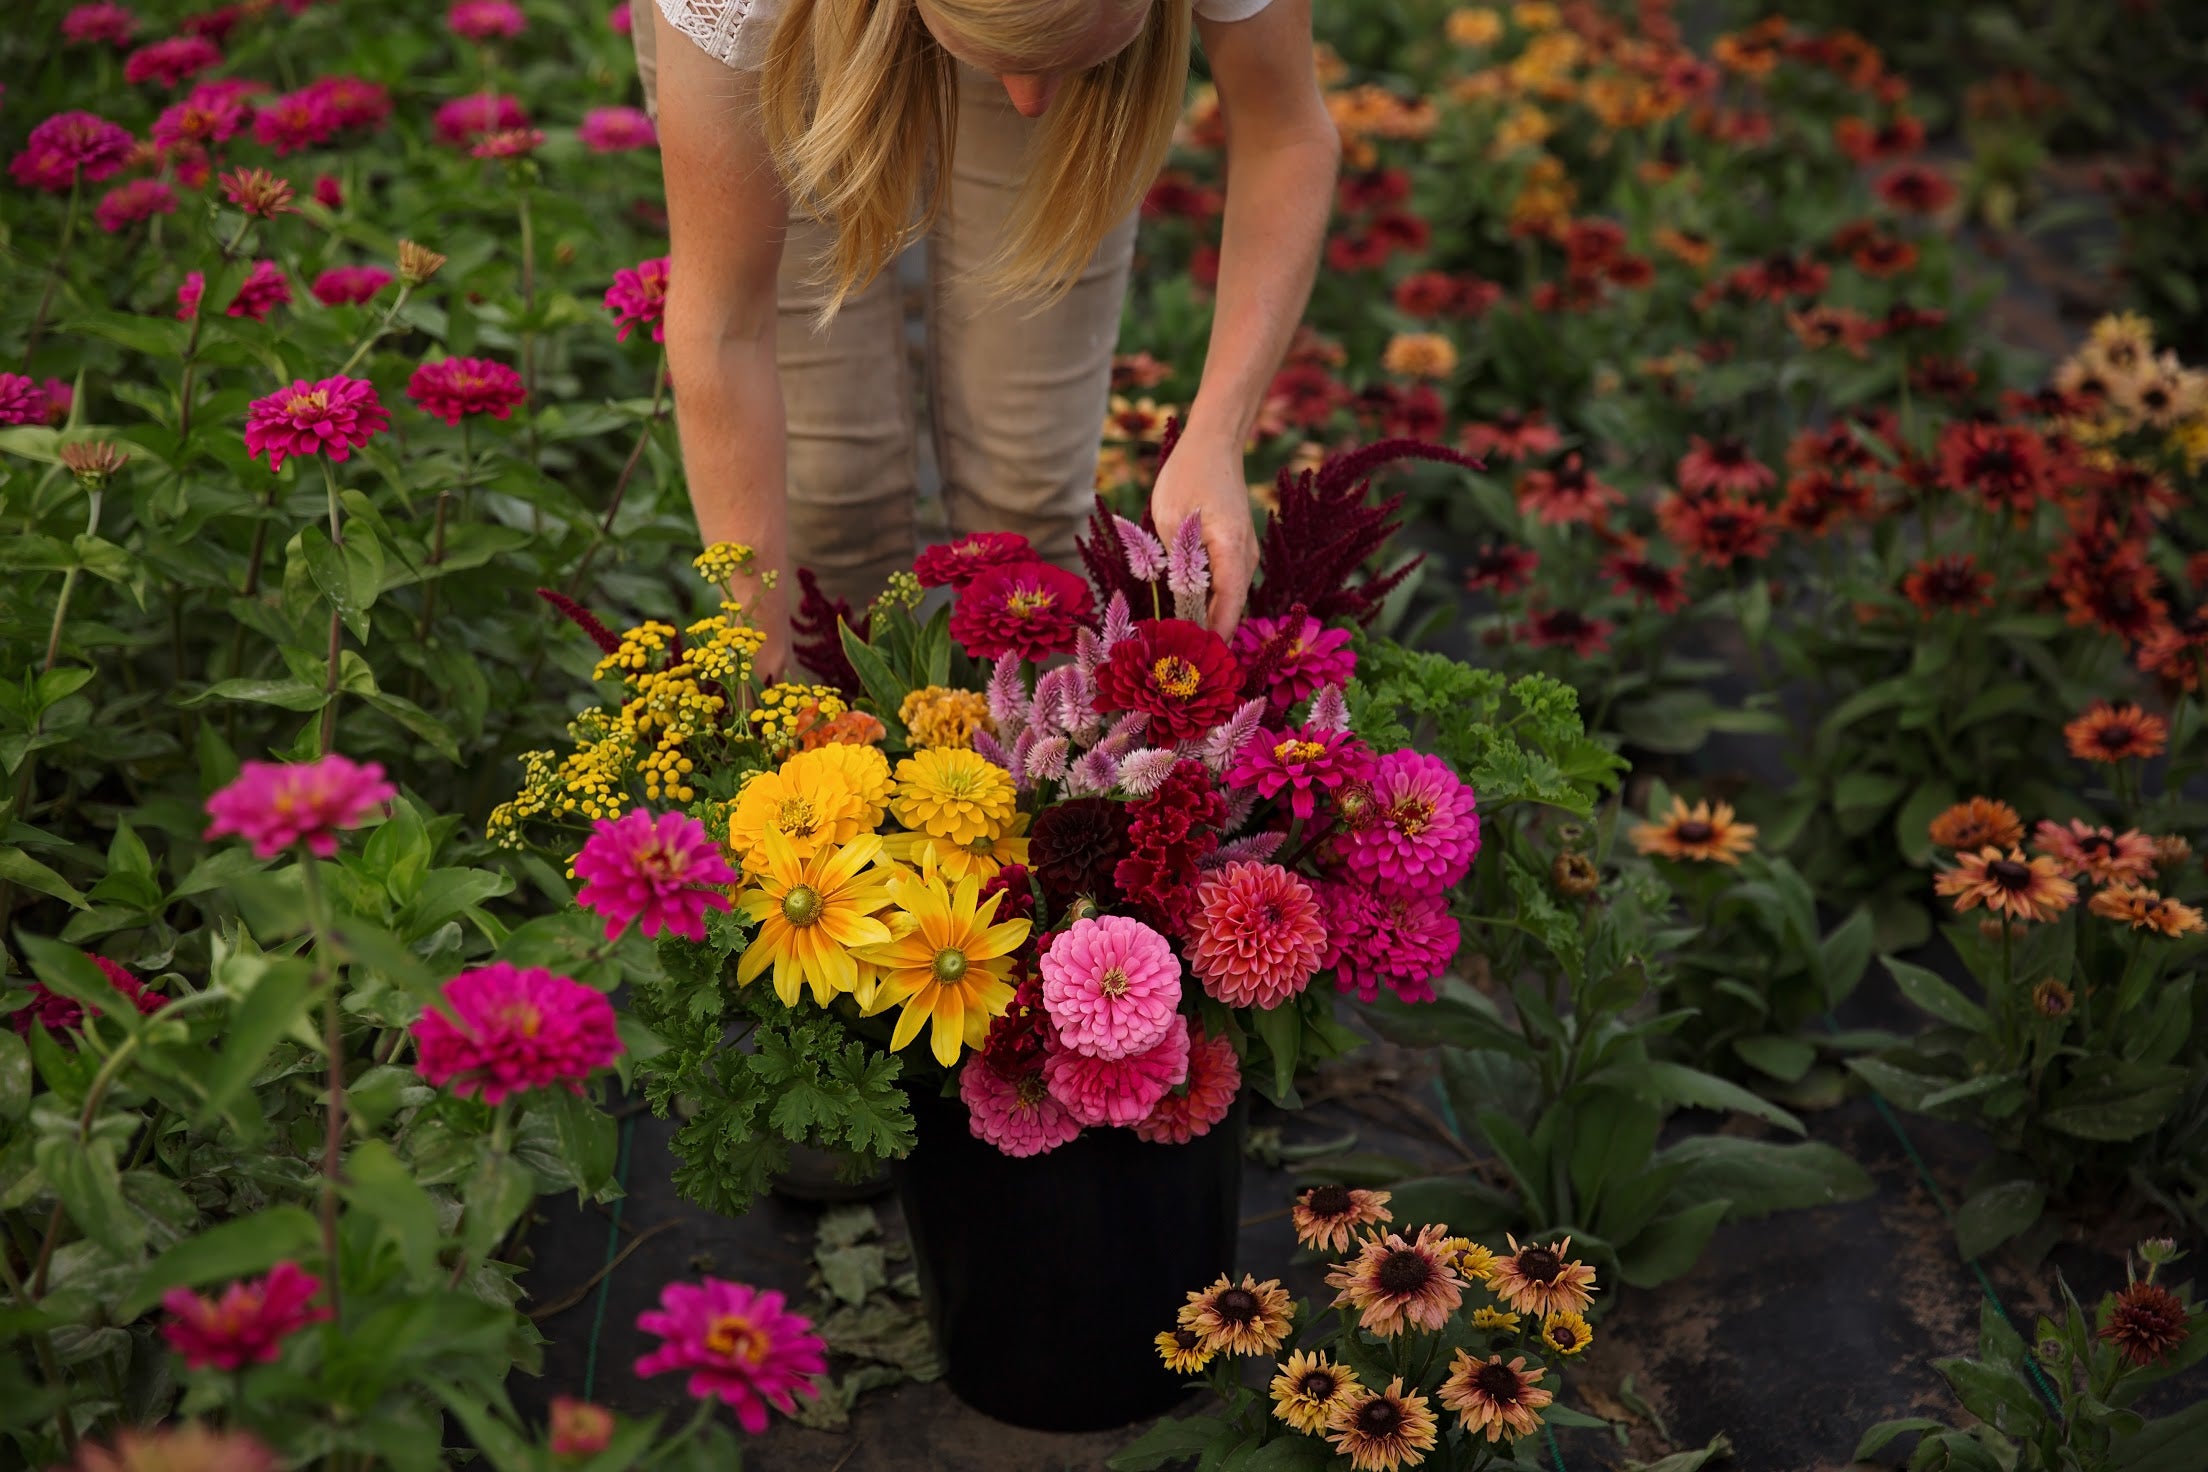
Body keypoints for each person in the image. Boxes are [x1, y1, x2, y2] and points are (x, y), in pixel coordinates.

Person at [635, 0, 1338, 672]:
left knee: (1028, 489)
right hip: (804, 24)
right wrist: (761, 662)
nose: (1030, 101)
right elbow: (728, 325)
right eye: (1007, 59)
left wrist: (1217, 434)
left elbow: (1286, 136)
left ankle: (1037, 761)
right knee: (828, 500)